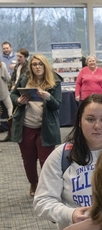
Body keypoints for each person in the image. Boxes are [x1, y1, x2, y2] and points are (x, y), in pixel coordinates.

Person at [33, 94, 102, 230]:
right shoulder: (62, 155)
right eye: (90, 119)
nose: (97, 126)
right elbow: (42, 201)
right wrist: (70, 214)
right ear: (80, 122)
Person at [10, 54, 63, 197]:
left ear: (45, 65)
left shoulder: (55, 82)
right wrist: (19, 101)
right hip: (26, 126)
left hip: (46, 128)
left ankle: (47, 187)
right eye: (34, 64)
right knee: (28, 160)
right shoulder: (24, 79)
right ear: (31, 67)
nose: (37, 67)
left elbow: (57, 105)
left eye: (40, 64)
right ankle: (34, 183)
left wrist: (48, 97)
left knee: (46, 161)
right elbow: (13, 95)